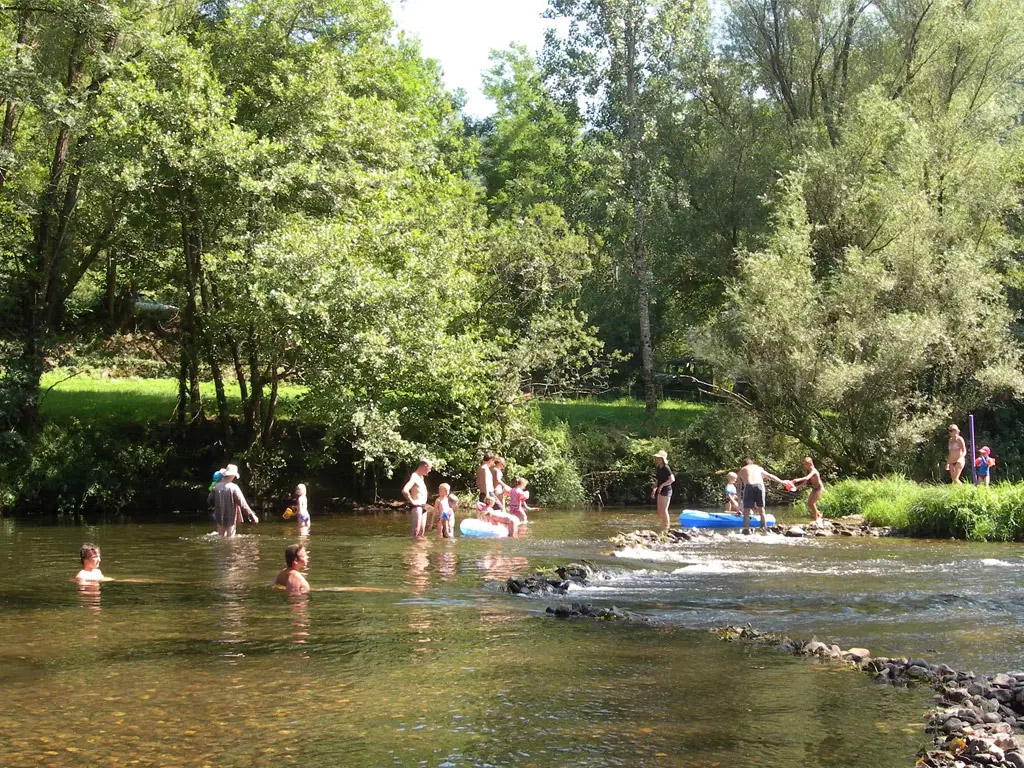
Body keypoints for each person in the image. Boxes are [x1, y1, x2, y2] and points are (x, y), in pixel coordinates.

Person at [208, 464, 258, 538]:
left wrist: (214, 507)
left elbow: (209, 500)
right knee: (230, 538)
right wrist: (252, 515)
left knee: (221, 536)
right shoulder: (234, 487)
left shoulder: (216, 487)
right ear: (233, 475)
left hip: (219, 516)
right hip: (230, 517)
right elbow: (243, 504)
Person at [736, 458, 786, 531]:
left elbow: (739, 488)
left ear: (743, 465)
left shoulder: (742, 470)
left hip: (749, 486)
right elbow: (770, 476)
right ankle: (763, 527)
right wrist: (782, 482)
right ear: (752, 463)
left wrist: (739, 503)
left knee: (747, 510)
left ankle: (746, 528)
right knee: (761, 509)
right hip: (759, 486)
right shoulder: (758, 468)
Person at [791, 457, 825, 527]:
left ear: (810, 464)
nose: (804, 466)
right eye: (803, 464)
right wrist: (796, 488)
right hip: (814, 489)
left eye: (805, 464)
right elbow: (805, 483)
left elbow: (807, 478)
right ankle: (819, 515)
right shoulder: (808, 471)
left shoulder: (814, 471)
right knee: (809, 504)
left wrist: (796, 480)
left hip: (819, 488)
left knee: (812, 503)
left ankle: (816, 519)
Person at [402, 459, 432, 537]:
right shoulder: (414, 476)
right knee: (415, 531)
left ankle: (420, 545)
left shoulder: (421, 477)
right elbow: (405, 490)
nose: (430, 471)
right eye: (430, 468)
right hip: (417, 506)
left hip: (423, 506)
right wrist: (412, 501)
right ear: (425, 466)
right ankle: (413, 545)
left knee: (421, 532)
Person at [651, 450, 675, 527]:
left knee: (664, 510)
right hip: (660, 490)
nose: (656, 459)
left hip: (667, 490)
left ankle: (667, 526)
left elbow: (672, 479)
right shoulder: (659, 468)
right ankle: (662, 524)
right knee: (659, 510)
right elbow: (658, 480)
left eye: (658, 458)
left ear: (662, 459)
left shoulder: (666, 468)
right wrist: (654, 489)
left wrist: (662, 485)